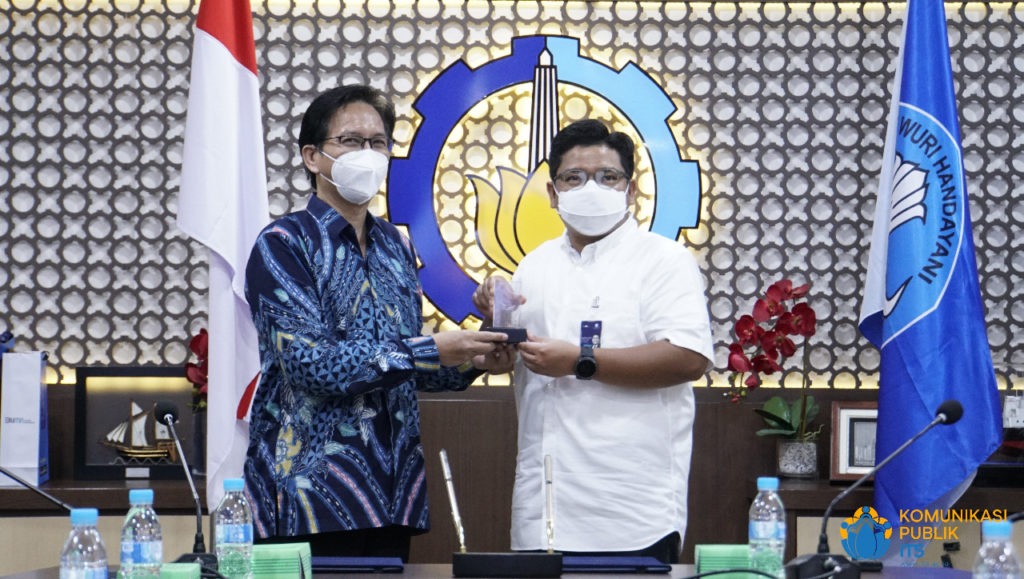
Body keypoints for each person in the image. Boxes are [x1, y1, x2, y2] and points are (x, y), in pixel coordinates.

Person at [243, 84, 513, 560]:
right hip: (308, 494)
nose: (367, 154)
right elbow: (309, 366)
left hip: (393, 492)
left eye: (378, 143)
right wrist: (429, 349)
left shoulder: (397, 247)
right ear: (312, 157)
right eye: (350, 141)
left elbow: (407, 366)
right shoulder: (284, 243)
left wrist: (474, 355)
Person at [473, 119, 714, 563]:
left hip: (631, 512)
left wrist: (580, 361)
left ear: (631, 189)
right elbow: (512, 361)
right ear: (552, 192)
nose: (591, 187)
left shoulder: (664, 260)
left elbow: (687, 359)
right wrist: (496, 337)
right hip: (540, 507)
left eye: (608, 177)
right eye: (574, 177)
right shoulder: (534, 266)